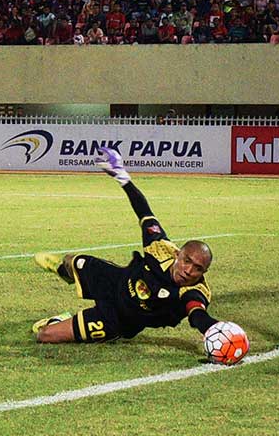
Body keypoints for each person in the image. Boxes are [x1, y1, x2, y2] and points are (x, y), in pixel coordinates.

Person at [31, 147, 225, 349]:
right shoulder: (161, 248)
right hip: (115, 281)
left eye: (198, 268)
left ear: (205, 272)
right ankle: (63, 271)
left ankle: (58, 320)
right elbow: (144, 211)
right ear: (177, 254)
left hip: (118, 318)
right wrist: (122, 176)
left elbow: (197, 314)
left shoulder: (195, 291)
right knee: (74, 260)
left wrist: (216, 328)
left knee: (45, 335)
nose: (189, 271)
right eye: (187, 261)